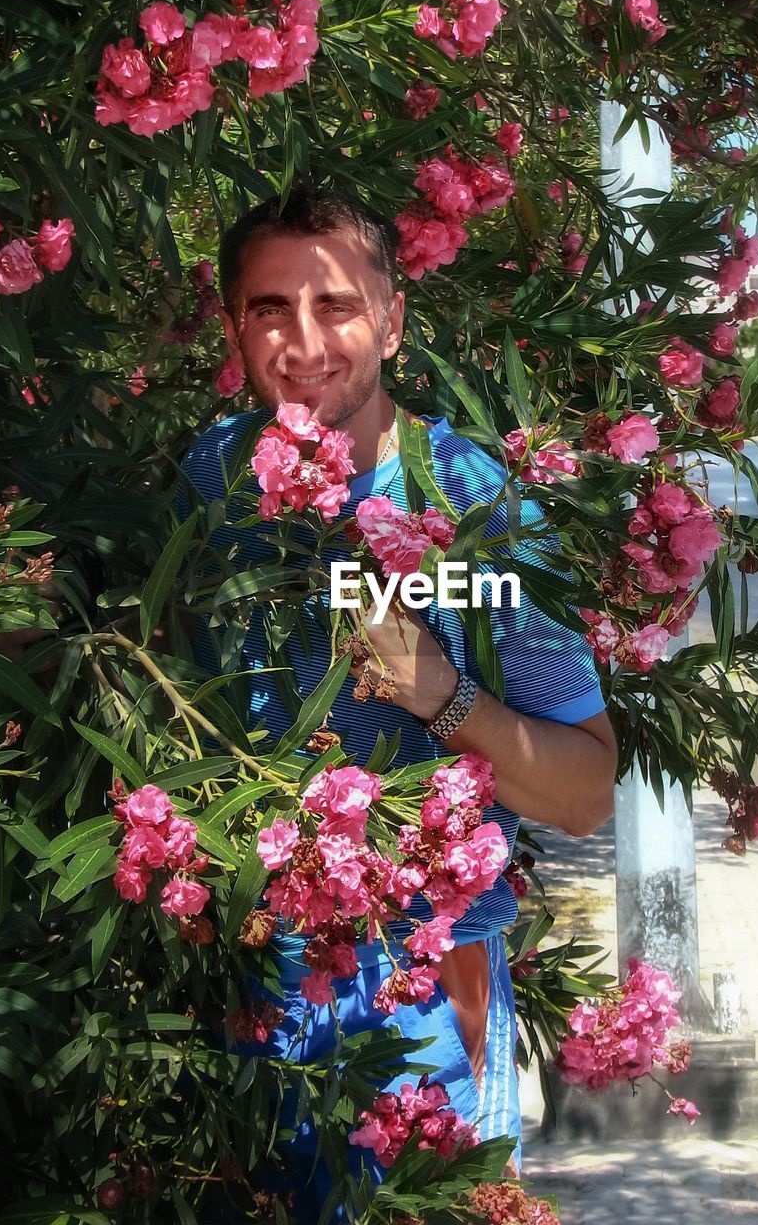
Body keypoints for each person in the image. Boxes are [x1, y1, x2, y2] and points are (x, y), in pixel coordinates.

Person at [178, 185, 617, 1216]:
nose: (302, 340)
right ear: (234, 326)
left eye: (335, 304)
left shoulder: (475, 505)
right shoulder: (211, 474)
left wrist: (443, 693)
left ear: (392, 317)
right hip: (250, 994)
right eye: (268, 308)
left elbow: (587, 791)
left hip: (425, 998)